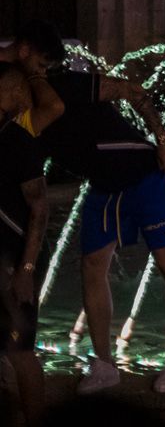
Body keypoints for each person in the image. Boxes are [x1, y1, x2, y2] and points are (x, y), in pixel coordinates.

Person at [18, 22, 165, 395]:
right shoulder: (33, 107)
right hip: (103, 186)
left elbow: (135, 91)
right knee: (92, 266)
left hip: (145, 173)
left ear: (36, 58)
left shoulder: (74, 85)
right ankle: (104, 364)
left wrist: (162, 139)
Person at [0, 54, 54, 426]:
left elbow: (41, 208)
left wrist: (26, 269)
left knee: (21, 350)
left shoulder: (18, 140)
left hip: (15, 259)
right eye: (15, 87)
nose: (21, 93)